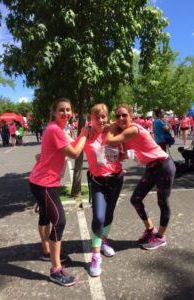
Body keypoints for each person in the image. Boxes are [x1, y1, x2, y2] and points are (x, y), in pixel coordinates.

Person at [29, 98, 88, 287]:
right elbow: (74, 152)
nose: (66, 113)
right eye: (61, 110)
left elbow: (71, 144)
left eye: (68, 110)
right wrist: (85, 134)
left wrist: (83, 135)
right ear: (54, 112)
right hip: (43, 183)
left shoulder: (57, 129)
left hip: (41, 180)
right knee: (59, 221)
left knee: (46, 217)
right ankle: (55, 270)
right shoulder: (55, 129)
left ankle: (47, 251)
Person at [105, 104, 176, 250]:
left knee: (163, 202)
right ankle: (150, 230)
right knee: (135, 199)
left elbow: (110, 141)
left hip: (163, 166)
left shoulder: (133, 129)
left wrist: (111, 129)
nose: (121, 118)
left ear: (131, 117)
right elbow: (124, 156)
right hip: (151, 167)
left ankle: (161, 237)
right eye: (117, 116)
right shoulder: (125, 134)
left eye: (124, 115)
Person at [83, 103, 124, 277]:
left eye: (103, 116)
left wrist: (129, 155)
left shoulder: (113, 131)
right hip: (98, 181)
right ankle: (95, 255)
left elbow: (121, 154)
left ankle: (103, 241)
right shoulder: (87, 133)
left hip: (116, 179)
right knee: (98, 216)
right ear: (91, 117)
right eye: (97, 116)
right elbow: (69, 148)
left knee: (109, 215)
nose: (101, 119)